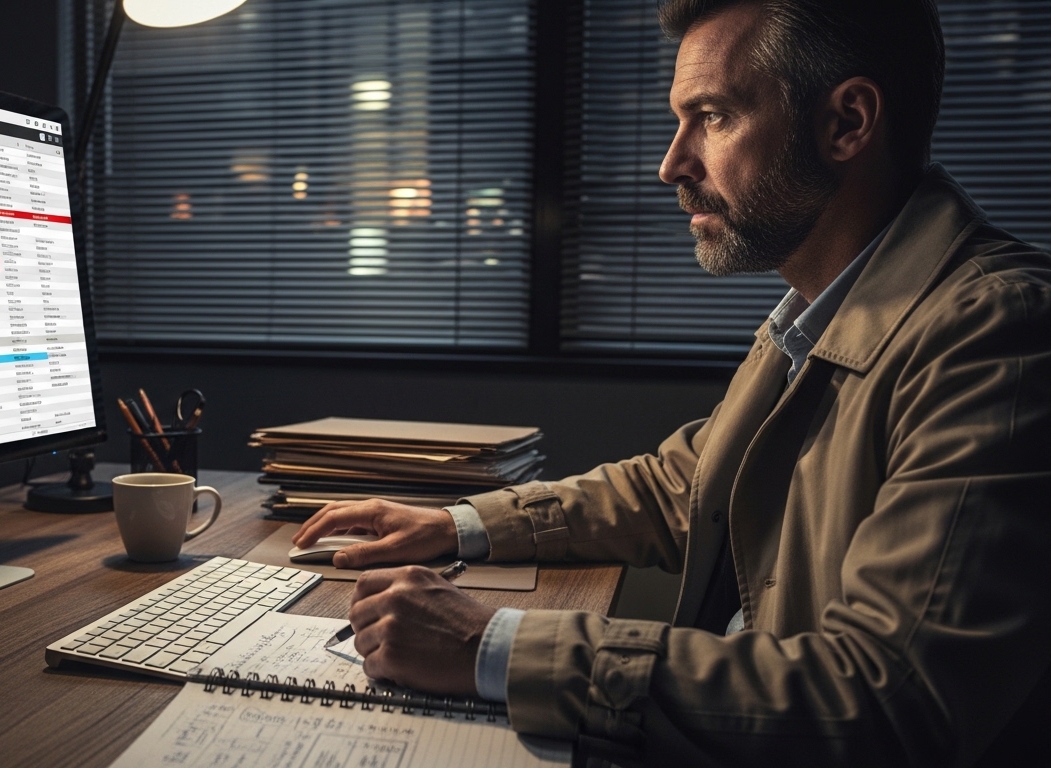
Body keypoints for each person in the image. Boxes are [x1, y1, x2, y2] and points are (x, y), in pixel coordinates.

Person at [293, 0, 1051, 764]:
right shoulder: (819, 313)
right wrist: (458, 525)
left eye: (712, 117)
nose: (672, 164)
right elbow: (680, 485)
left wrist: (493, 645)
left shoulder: (996, 333)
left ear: (847, 122)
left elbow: (890, 699)